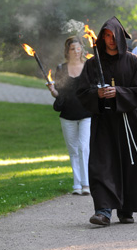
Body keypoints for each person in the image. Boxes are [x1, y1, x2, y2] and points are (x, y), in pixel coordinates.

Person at [77, 17, 137, 226]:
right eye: (106, 36)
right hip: (104, 122)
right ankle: (103, 210)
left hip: (128, 122)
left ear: (120, 37)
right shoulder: (93, 63)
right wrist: (97, 94)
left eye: (113, 35)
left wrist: (117, 92)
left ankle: (126, 209)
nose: (110, 40)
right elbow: (82, 91)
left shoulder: (134, 61)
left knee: (128, 164)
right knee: (102, 165)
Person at [47, 36, 91, 196]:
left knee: (83, 147)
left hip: (86, 113)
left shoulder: (88, 67)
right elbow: (59, 94)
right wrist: (53, 91)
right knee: (73, 150)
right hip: (67, 114)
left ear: (82, 50)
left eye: (78, 48)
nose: (76, 51)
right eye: (73, 48)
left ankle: (87, 183)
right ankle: (77, 184)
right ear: (68, 51)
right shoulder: (61, 69)